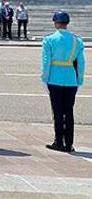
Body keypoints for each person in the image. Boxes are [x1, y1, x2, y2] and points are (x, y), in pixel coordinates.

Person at [42, 11, 85, 152]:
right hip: (71, 79)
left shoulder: (49, 40)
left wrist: (44, 78)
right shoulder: (76, 41)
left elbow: (46, 62)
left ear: (55, 23)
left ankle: (59, 141)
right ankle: (69, 143)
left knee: (58, 112)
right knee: (69, 111)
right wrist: (79, 80)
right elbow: (81, 63)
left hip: (54, 78)